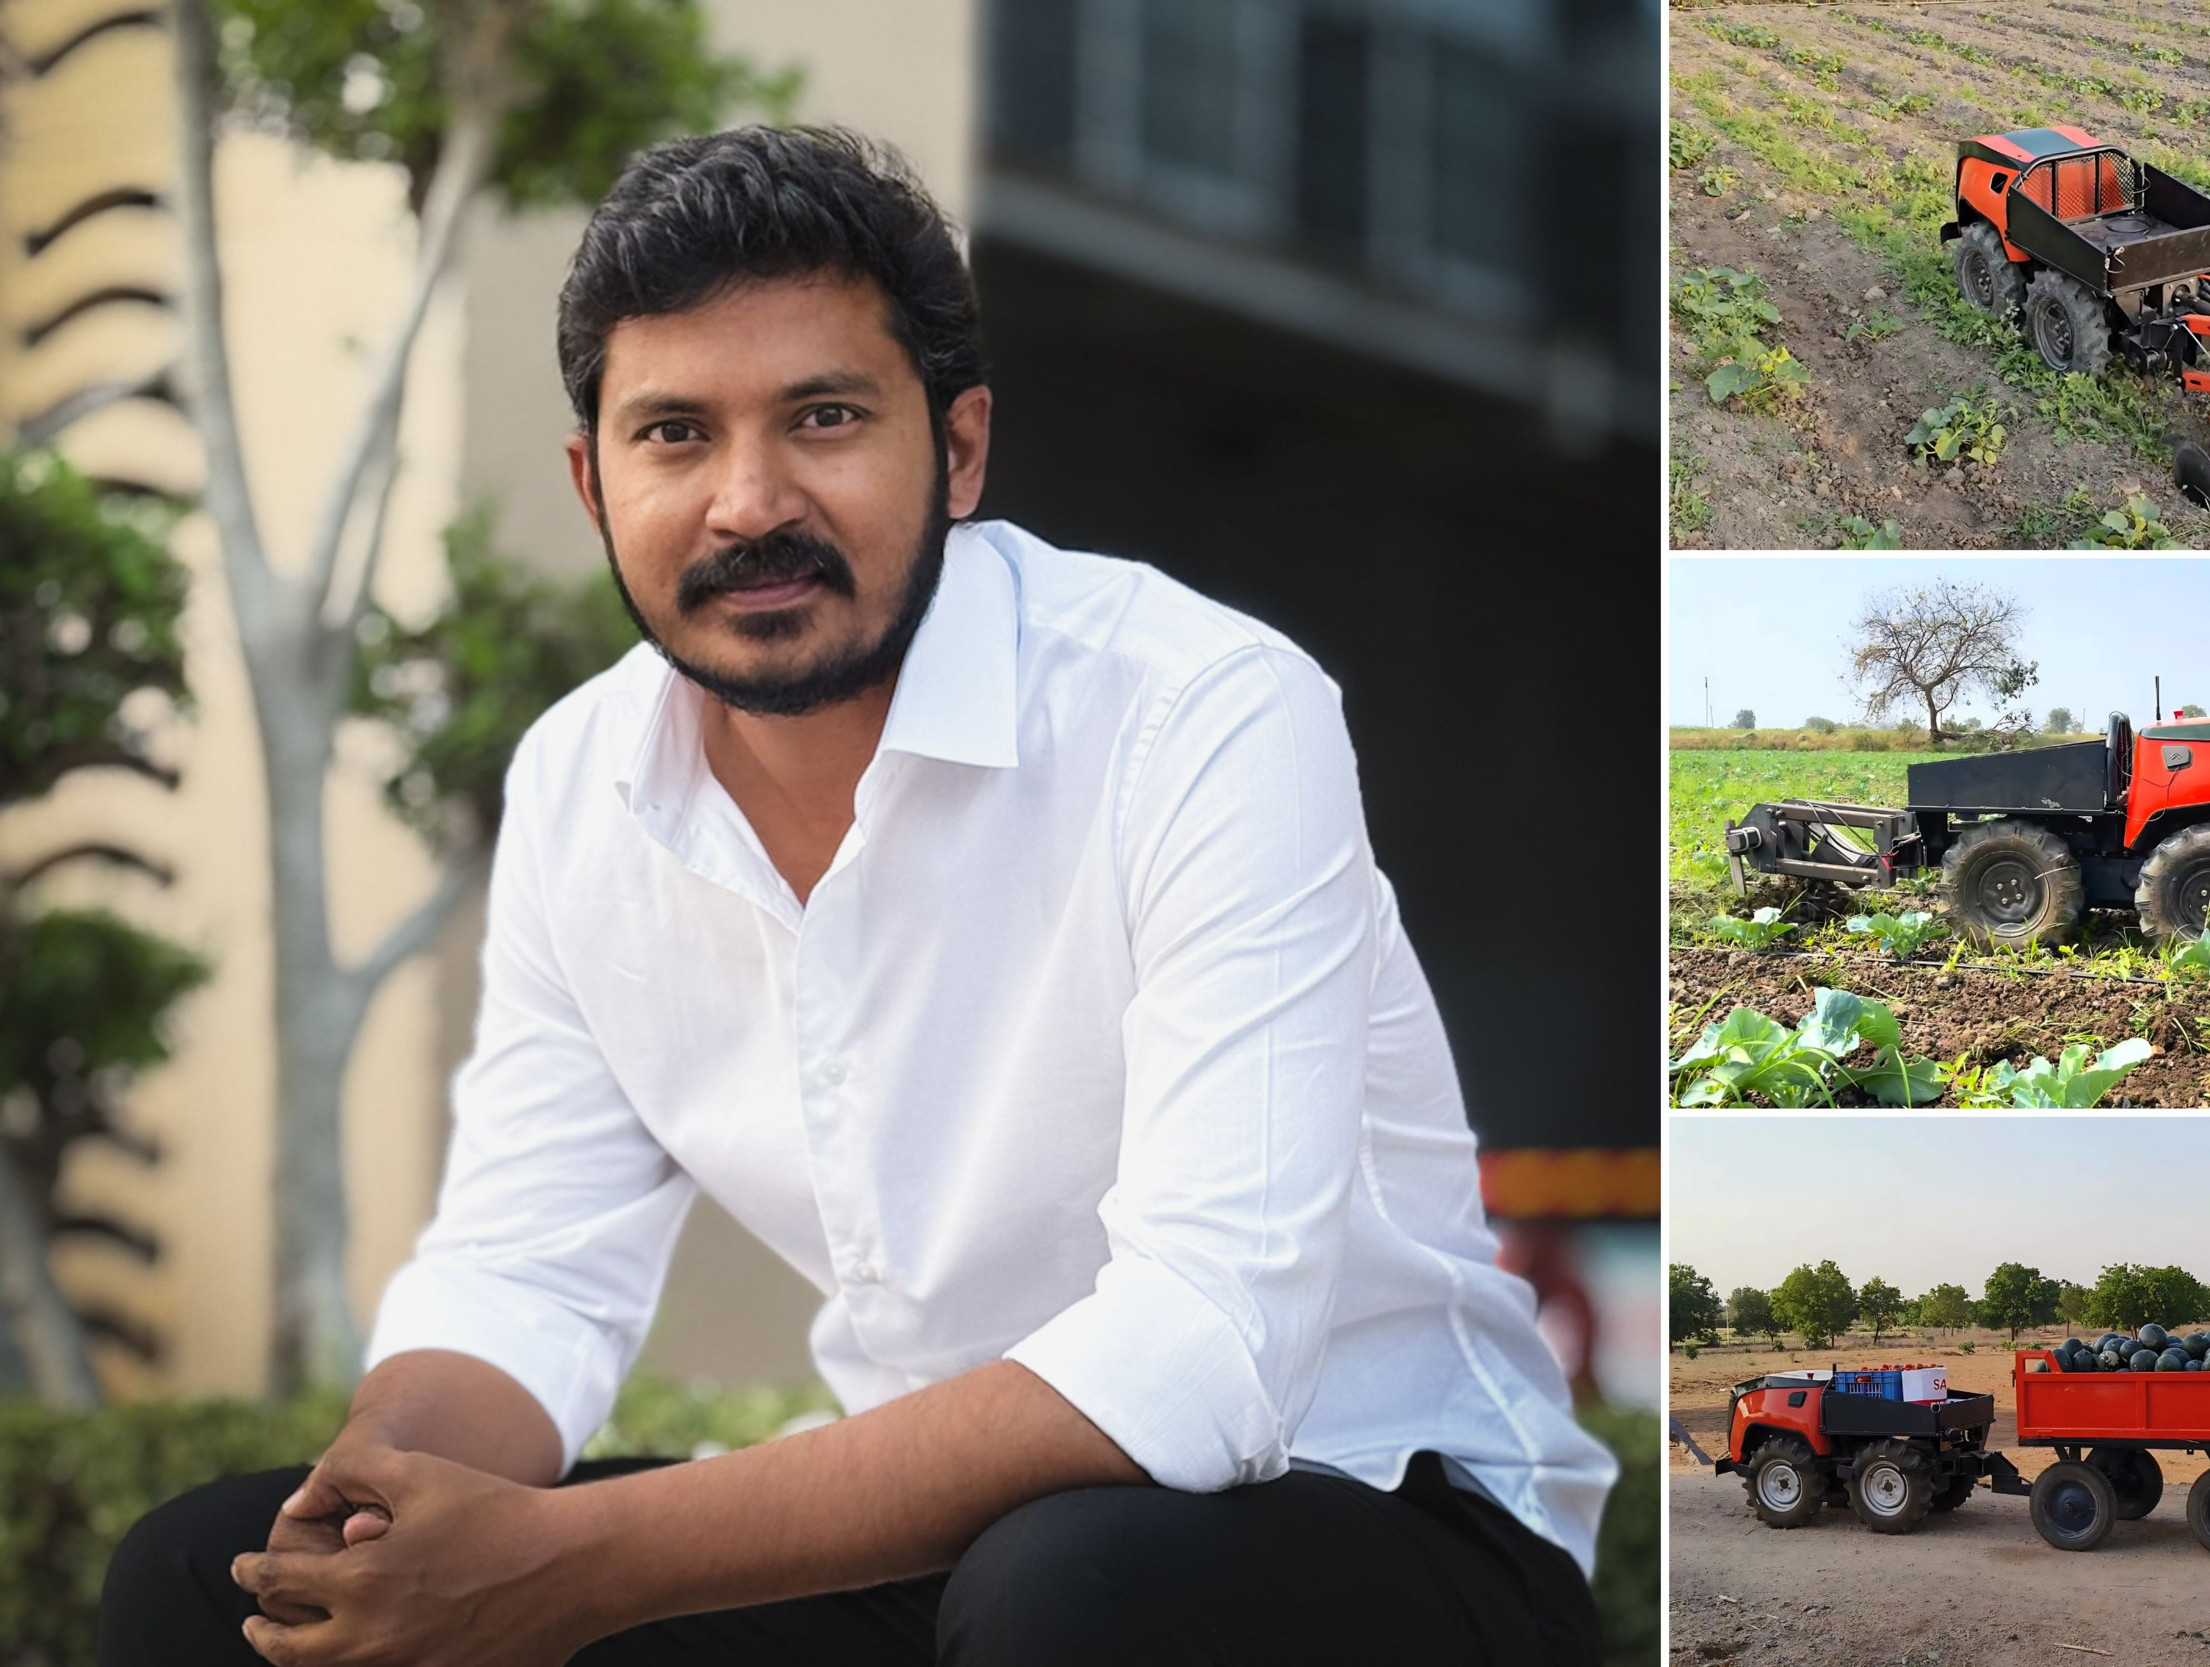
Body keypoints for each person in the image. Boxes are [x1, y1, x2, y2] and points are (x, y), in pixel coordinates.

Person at [101, 123, 1616, 1667]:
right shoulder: (583, 779)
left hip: (1381, 1516)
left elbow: (1201, 1355)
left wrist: (572, 1558)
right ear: (592, 479)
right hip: (940, 1548)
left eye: (822, 417)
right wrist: (374, 1514)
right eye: (674, 434)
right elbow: (525, 1273)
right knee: (207, 1583)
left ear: (957, 449)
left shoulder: (1200, 710)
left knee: (1074, 1591)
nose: (748, 501)